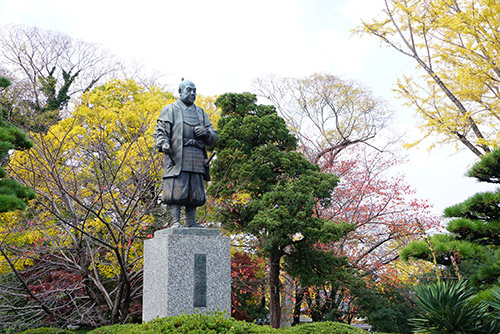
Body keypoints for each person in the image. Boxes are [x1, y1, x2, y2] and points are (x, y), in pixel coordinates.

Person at [154, 80, 218, 227]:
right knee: (177, 188)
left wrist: (206, 132)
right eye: (189, 90)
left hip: (197, 155)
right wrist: (163, 143)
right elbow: (160, 131)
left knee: (194, 189)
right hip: (177, 156)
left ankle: (191, 221)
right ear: (180, 91)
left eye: (194, 91)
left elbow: (214, 136)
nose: (192, 93)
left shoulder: (201, 113)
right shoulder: (170, 109)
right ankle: (175, 221)